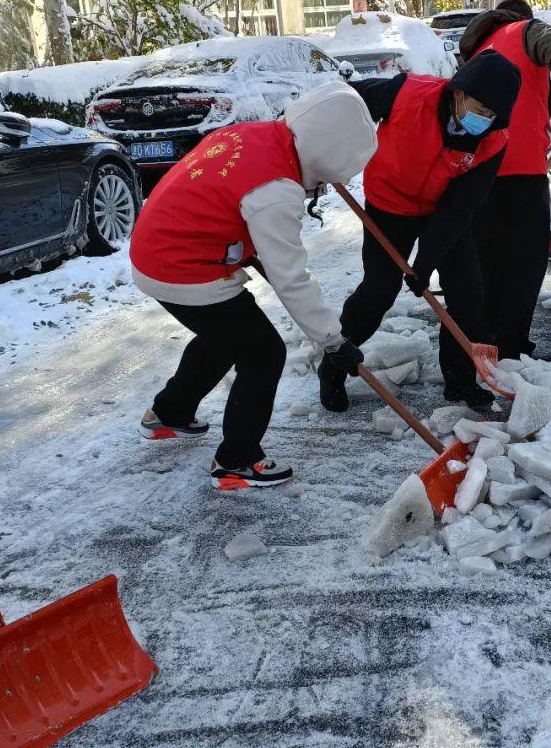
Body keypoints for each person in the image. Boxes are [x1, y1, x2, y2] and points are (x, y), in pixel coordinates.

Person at [129, 79, 377, 492]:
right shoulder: (276, 190)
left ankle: (169, 414)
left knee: (223, 335)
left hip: (156, 250)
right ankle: (237, 461)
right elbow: (291, 278)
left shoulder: (254, 133)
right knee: (263, 351)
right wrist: (334, 342)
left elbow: (227, 202)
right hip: (184, 264)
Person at [318, 51, 522, 416]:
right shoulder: (408, 95)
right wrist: (321, 143)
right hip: (388, 204)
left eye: (492, 115)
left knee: (468, 294)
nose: (484, 120)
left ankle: (460, 382)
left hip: (441, 210)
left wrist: (427, 259)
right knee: (379, 292)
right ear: (459, 93)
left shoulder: (493, 141)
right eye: (480, 108)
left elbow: (462, 205)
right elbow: (345, 102)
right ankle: (333, 365)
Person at [458, 0, 551, 359]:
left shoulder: (478, 49)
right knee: (525, 261)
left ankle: (482, 342)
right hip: (520, 173)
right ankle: (509, 347)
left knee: (489, 261)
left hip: (479, 172)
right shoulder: (524, 32)